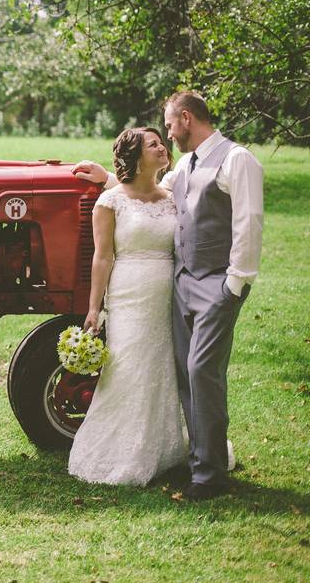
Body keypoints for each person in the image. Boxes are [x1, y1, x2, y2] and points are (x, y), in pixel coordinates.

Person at [73, 92, 263, 500]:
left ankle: (207, 473)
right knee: (172, 371)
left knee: (198, 371)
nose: (167, 139)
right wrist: (105, 176)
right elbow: (133, 197)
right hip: (161, 289)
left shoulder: (226, 163)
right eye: (156, 140)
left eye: (168, 129)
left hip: (207, 286)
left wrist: (235, 283)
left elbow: (248, 223)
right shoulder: (184, 168)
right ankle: (193, 459)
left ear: (186, 119)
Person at [68, 127, 187, 486]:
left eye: (162, 142)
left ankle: (165, 447)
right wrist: (94, 308)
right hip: (129, 295)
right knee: (128, 366)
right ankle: (120, 450)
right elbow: (102, 258)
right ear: (135, 157)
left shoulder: (171, 196)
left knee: (163, 366)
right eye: (154, 144)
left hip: (169, 293)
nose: (163, 147)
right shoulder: (110, 203)